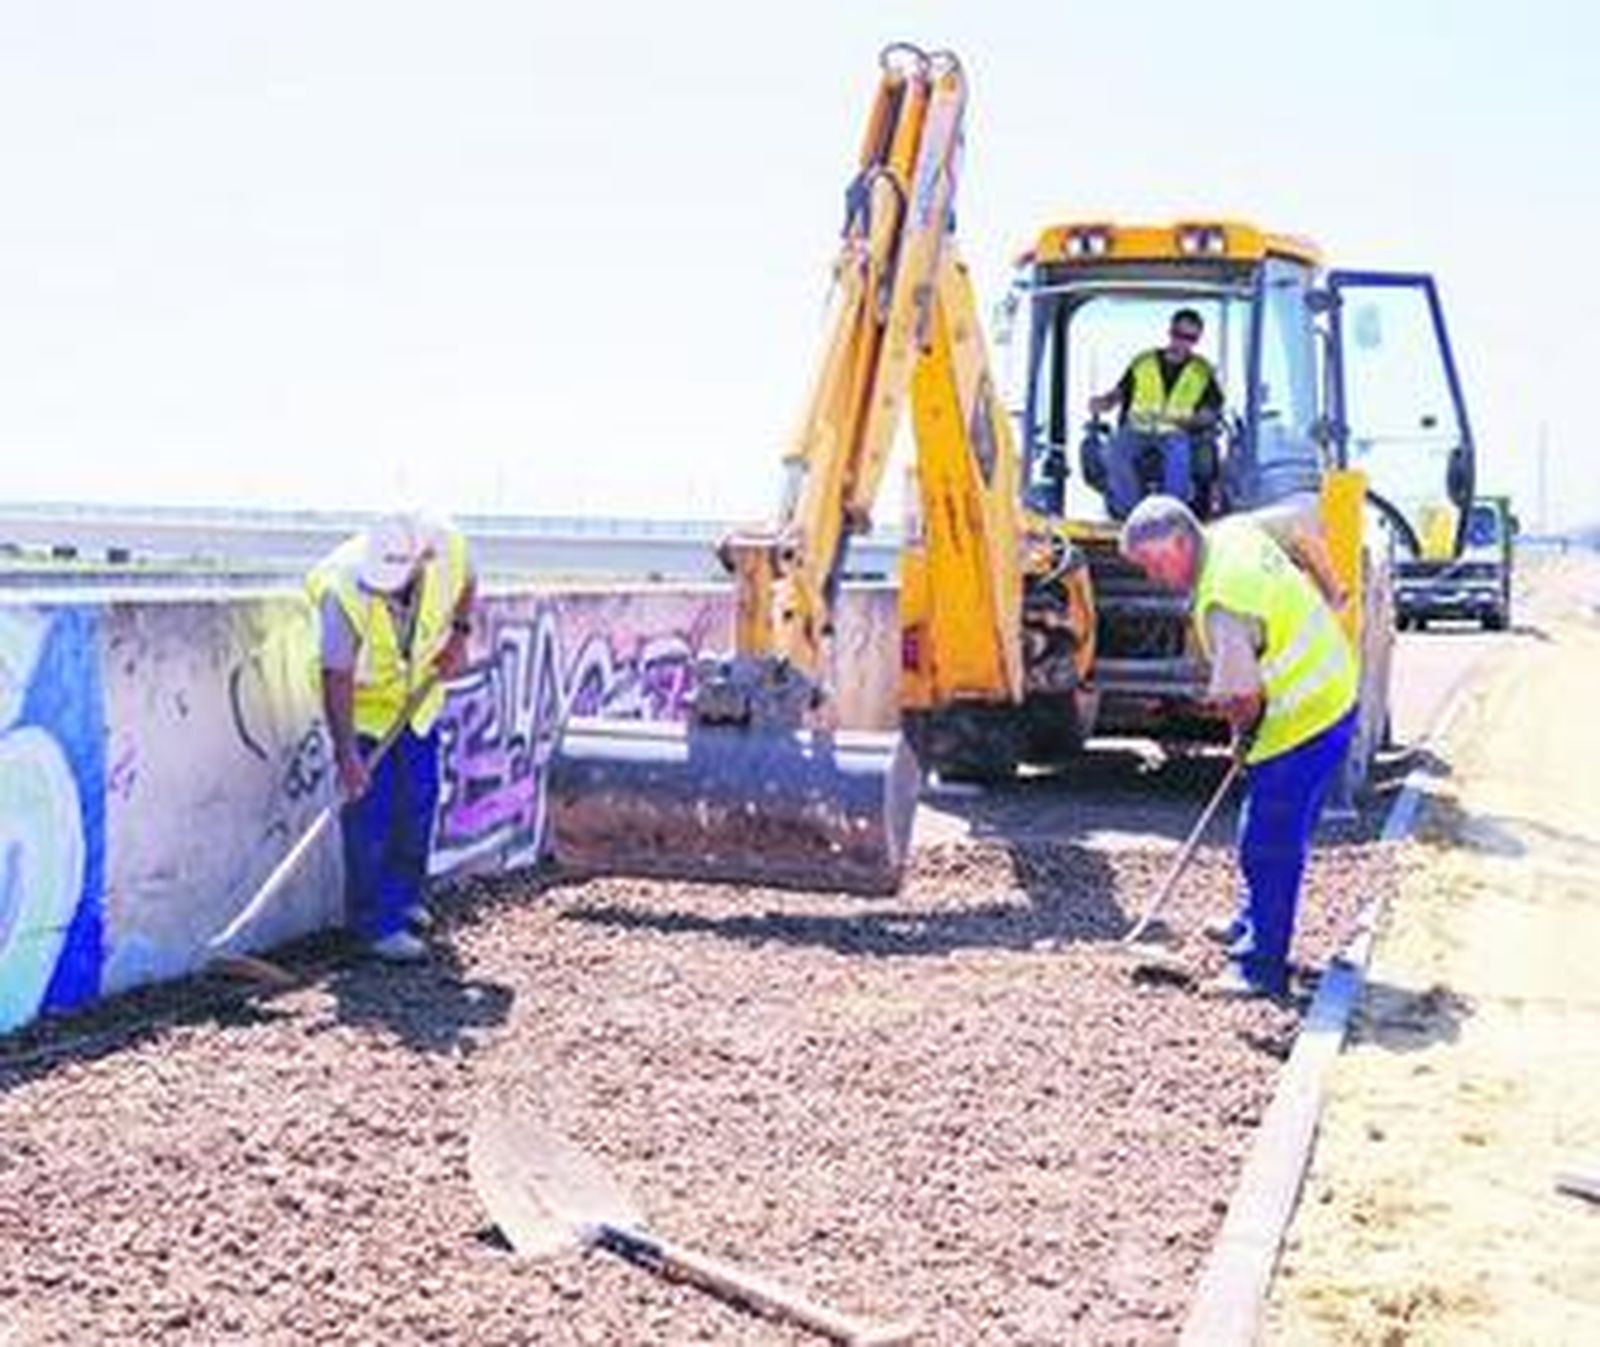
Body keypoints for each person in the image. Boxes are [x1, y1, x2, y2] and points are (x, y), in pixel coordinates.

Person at [1118, 494, 1357, 999]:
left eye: (1154, 563)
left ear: (1181, 542)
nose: (1154, 578)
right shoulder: (1235, 533)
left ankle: (1259, 966)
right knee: (1274, 833)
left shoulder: (1223, 604)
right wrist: (1332, 591)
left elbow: (1241, 695)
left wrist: (1243, 735)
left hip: (1305, 720)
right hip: (1336, 691)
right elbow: (1302, 517)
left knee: (1268, 842)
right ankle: (1253, 921)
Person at [307, 511, 476, 962]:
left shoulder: (447, 548)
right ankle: (374, 925)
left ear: (420, 563)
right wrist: (346, 752)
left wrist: (459, 635)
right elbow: (336, 673)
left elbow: (469, 581)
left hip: (417, 704)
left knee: (419, 801)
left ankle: (402, 901)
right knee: (370, 814)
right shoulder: (343, 589)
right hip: (361, 711)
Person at [1089, 307, 1224, 518]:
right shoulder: (1143, 362)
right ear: (1170, 332)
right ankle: (1131, 514)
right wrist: (1104, 402)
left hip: (1175, 431)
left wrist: (1194, 420)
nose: (1183, 342)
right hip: (1137, 430)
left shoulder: (1202, 371)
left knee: (1179, 451)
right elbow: (1120, 392)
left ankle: (1171, 515)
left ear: (1197, 340)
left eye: (1190, 338)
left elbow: (1212, 411)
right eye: (1179, 335)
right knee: (1115, 450)